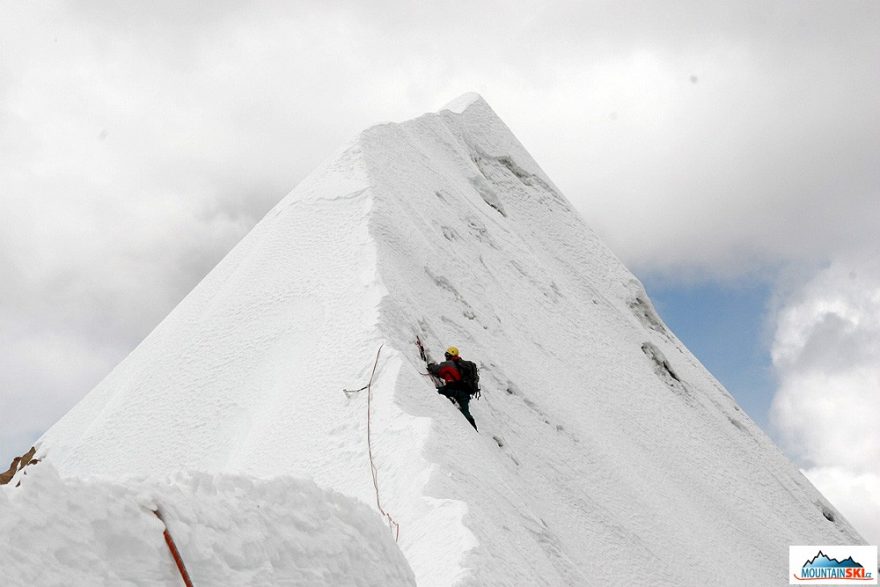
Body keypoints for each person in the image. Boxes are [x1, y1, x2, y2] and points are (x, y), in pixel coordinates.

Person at [427, 346, 478, 431]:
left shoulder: (449, 364)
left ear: (449, 355)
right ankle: (474, 429)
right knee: (465, 411)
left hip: (454, 390)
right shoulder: (462, 364)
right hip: (466, 393)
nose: (446, 357)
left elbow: (436, 369)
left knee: (436, 392)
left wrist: (430, 365)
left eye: (447, 355)